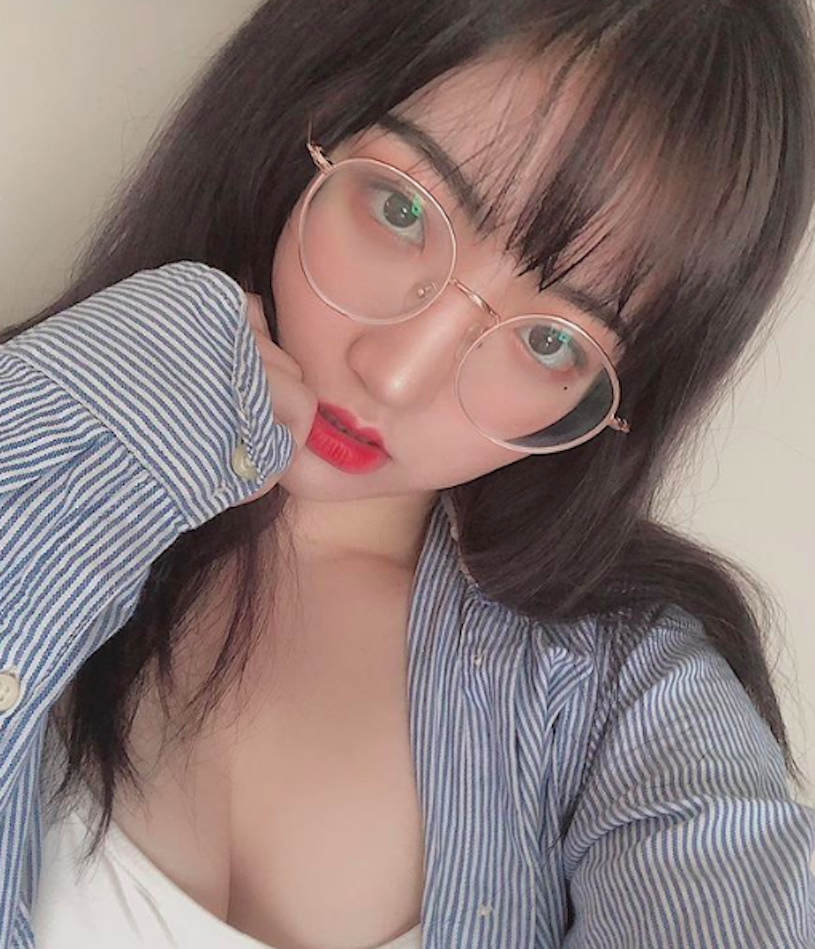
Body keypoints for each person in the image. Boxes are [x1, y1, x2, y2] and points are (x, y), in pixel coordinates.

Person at [1, 0, 814, 947]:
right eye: (401, 210)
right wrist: (91, 418)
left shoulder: (622, 691)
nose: (395, 373)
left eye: (551, 342)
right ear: (301, 123)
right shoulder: (39, 424)